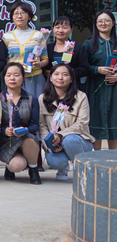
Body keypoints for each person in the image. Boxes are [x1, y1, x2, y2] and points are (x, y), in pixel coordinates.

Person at [40, 64, 94, 181]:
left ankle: (81, 169)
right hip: (55, 143)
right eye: (56, 74)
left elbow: (82, 123)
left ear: (71, 79)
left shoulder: (81, 97)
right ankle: (62, 168)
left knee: (70, 140)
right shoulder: (42, 98)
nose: (60, 77)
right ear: (51, 78)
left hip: (78, 141)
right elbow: (41, 125)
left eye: (65, 74)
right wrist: (49, 143)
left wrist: (61, 135)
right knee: (55, 161)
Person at [0, 62, 42, 184]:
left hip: (25, 138)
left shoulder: (32, 99)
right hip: (6, 141)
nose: (12, 78)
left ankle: (33, 170)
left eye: (16, 75)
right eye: (8, 75)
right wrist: (4, 131)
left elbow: (35, 126)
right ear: (4, 78)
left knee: (30, 140)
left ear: (23, 77)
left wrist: (25, 130)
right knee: (17, 165)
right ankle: (10, 166)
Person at [83, 10, 117, 150]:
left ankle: (113, 158)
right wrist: (97, 69)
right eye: (100, 21)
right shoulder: (89, 44)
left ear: (113, 23)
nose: (104, 23)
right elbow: (84, 67)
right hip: (95, 89)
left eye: (107, 20)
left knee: (114, 123)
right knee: (95, 124)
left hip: (115, 90)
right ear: (96, 24)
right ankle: (97, 157)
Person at [2, 2, 48, 98]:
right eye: (16, 13)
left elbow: (45, 59)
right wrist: (15, 66)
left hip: (34, 78)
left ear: (29, 16)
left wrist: (39, 64)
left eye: (23, 13)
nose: (19, 16)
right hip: (13, 79)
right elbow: (3, 60)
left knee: (36, 104)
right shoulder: (6, 36)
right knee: (13, 104)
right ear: (12, 17)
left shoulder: (39, 35)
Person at [43, 16, 89, 89]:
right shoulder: (46, 48)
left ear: (71, 30)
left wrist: (69, 72)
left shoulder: (78, 48)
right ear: (53, 29)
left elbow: (85, 69)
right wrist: (52, 73)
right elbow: (42, 69)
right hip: (51, 88)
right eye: (57, 27)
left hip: (73, 88)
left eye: (64, 27)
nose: (60, 30)